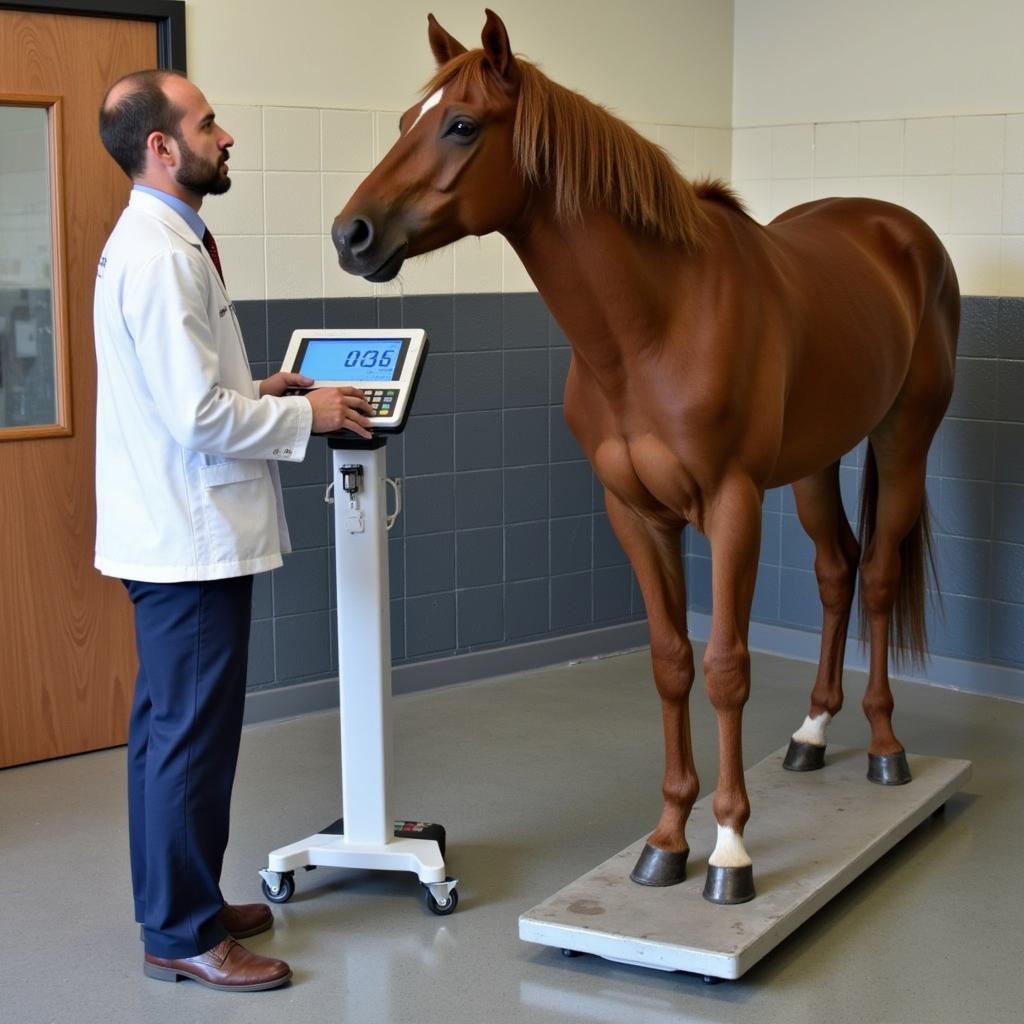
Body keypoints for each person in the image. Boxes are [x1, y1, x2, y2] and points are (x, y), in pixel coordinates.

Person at [94, 69, 374, 992]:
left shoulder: (164, 239)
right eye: (208, 124)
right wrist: (315, 417)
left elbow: (193, 397)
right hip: (188, 540)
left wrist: (263, 392)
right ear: (162, 147)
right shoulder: (163, 253)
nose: (227, 137)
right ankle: (182, 934)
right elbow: (195, 420)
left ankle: (185, 905)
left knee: (166, 736)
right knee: (189, 742)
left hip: (171, 526)